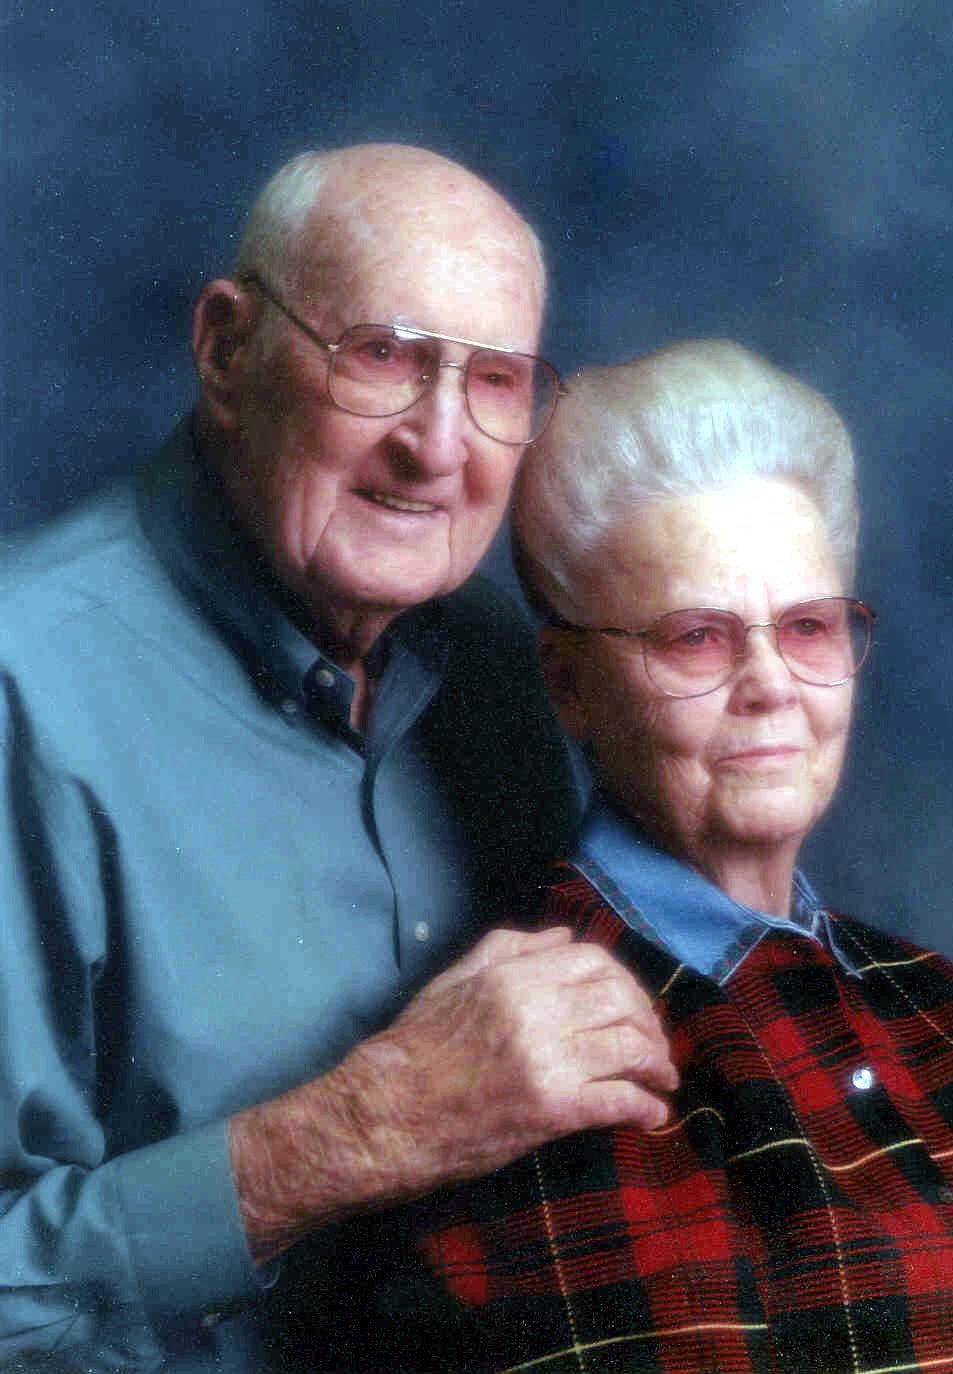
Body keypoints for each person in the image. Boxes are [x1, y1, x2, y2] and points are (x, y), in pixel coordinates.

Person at [0, 145, 677, 1372]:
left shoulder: (500, 669)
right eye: (383, 356)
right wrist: (359, 1132)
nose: (438, 445)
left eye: (494, 381)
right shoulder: (23, 691)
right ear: (226, 351)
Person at [381, 341, 953, 1372]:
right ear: (569, 685)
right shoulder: (535, 1055)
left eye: (808, 627)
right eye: (696, 637)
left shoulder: (930, 998)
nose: (771, 685)